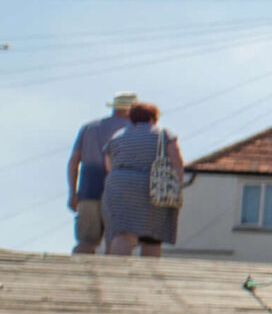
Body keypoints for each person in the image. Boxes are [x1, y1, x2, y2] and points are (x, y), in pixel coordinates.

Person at [99, 102, 184, 258]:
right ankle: (147, 276)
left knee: (123, 233)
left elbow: (109, 165)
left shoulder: (117, 136)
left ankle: (118, 272)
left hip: (118, 185)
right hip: (151, 186)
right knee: (152, 236)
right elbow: (176, 161)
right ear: (153, 118)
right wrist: (178, 185)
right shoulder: (164, 135)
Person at [66, 92, 136, 255]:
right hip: (119, 192)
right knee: (116, 242)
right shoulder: (131, 130)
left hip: (89, 190)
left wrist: (73, 193)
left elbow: (74, 161)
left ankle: (77, 275)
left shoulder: (89, 128)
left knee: (85, 241)